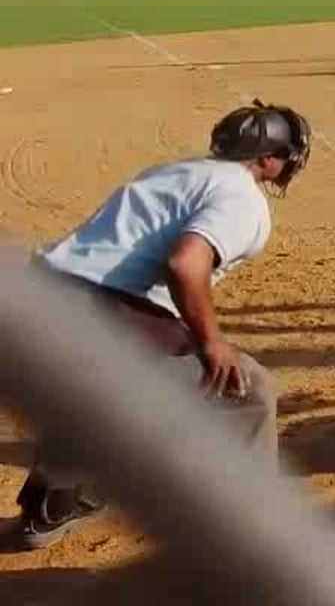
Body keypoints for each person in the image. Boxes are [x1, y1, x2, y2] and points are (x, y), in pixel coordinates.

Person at [9, 102, 312, 549]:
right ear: (267, 160)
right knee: (248, 393)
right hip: (101, 314)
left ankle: (53, 504)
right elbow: (186, 264)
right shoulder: (243, 197)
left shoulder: (173, 172)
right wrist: (212, 343)